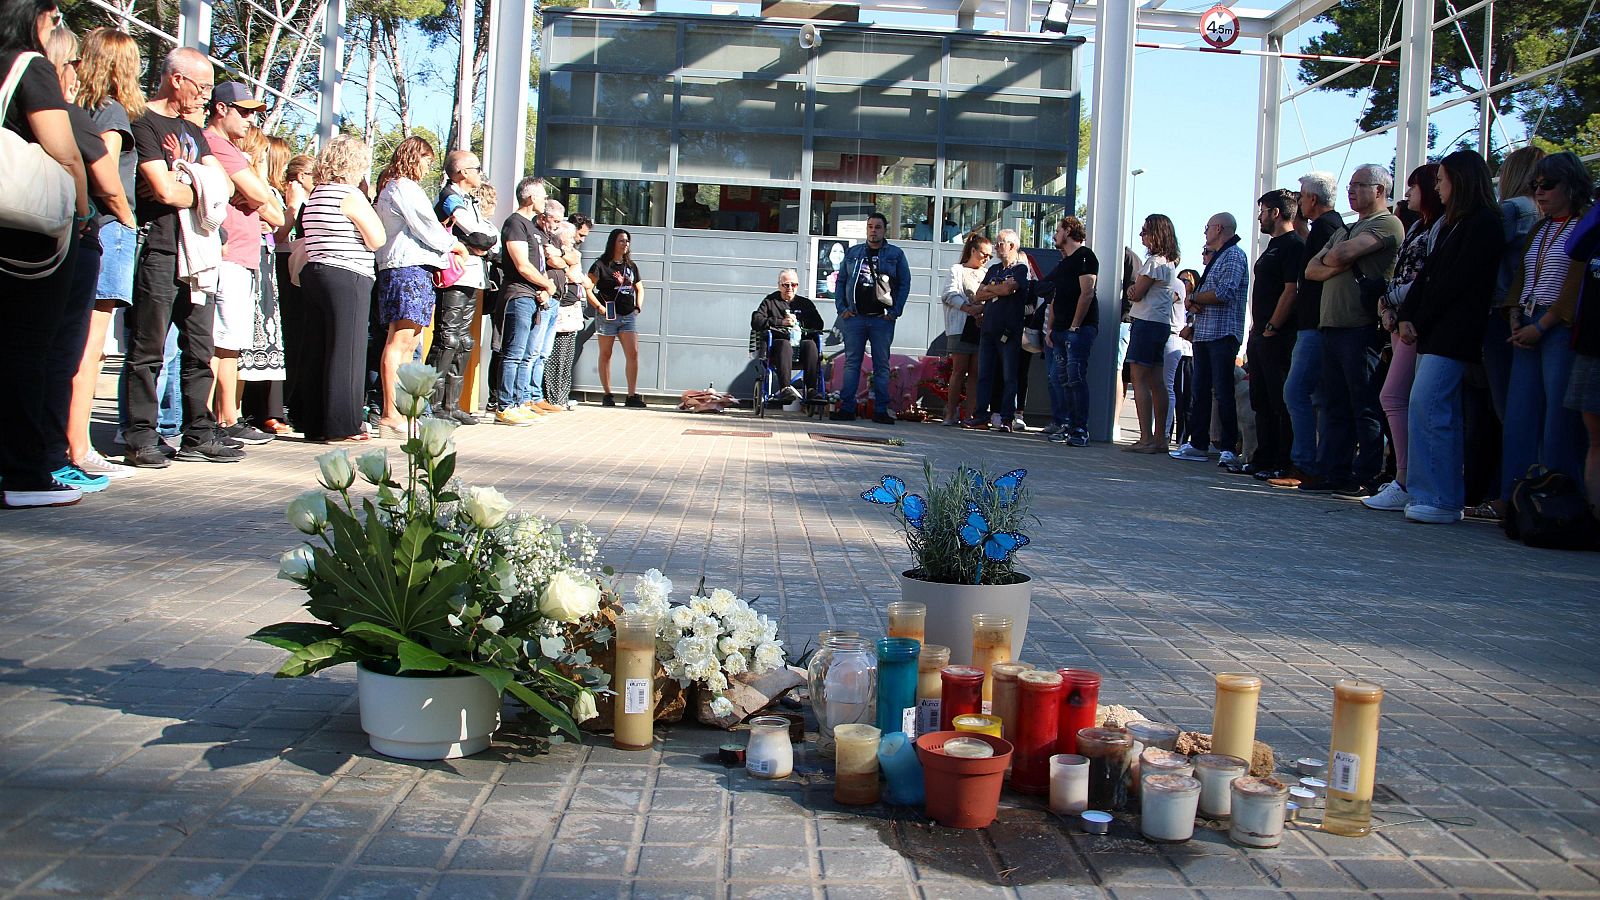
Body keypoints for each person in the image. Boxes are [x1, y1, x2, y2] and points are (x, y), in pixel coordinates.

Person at [123, 47, 240, 467]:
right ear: (177, 79)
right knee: (149, 346)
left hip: (200, 252)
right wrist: (199, 188)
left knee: (199, 346)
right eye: (202, 86)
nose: (206, 97)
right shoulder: (144, 121)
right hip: (160, 244)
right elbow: (164, 191)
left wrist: (191, 181)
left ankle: (199, 432)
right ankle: (141, 434)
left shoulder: (192, 129)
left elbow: (223, 188)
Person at [0, 0, 91, 506]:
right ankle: (23, 473)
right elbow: (64, 150)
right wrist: (80, 214)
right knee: (28, 349)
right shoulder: (28, 66)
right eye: (54, 18)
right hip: (25, 232)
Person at [1395, 150, 1504, 524]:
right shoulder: (1454, 224)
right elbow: (1428, 277)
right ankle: (1433, 493)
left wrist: (1417, 319)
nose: (1437, 187)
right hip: (1435, 331)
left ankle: (1440, 497)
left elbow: (1455, 283)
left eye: (1441, 180)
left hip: (1454, 332)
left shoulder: (1484, 224)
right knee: (1429, 409)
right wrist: (1408, 316)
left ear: (1459, 181)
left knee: (1432, 409)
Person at [63, 26, 141, 482]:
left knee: (67, 341)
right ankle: (80, 445)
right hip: (106, 228)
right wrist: (125, 215)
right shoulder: (112, 113)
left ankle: (66, 440)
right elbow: (105, 173)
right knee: (90, 347)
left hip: (72, 227)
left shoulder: (73, 110)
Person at [1300, 165, 1403, 495]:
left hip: (1361, 327)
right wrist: (1336, 259)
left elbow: (1339, 256)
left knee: (1365, 405)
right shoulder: (1347, 228)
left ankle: (1366, 474)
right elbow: (1311, 270)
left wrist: (1335, 257)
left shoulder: (1386, 223)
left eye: (1360, 185)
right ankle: (1335, 471)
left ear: (1379, 191)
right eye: (1351, 185)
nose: (1352, 190)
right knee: (1336, 406)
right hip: (1332, 326)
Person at [1498, 151, 1593, 499]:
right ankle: (1515, 498)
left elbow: (1577, 284)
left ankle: (1558, 497)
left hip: (1558, 328)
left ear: (1572, 186)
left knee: (1559, 419)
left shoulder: (1585, 227)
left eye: (1548, 185)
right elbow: (1522, 276)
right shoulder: (1539, 227)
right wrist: (1514, 314)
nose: (1539, 191)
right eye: (1535, 184)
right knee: (1520, 416)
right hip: (1525, 323)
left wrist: (1544, 325)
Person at [202, 82, 283, 447]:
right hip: (228, 252)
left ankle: (223, 418)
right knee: (220, 340)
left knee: (229, 341)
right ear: (221, 108)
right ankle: (216, 418)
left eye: (254, 112)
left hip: (243, 254)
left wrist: (254, 194)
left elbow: (273, 210)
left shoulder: (229, 149)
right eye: (244, 111)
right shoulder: (217, 144)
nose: (251, 119)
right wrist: (250, 192)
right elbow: (259, 195)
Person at [1364, 165, 1444, 511]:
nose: (1407, 194)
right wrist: (1387, 307)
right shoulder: (1419, 227)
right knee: (1399, 397)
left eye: (1413, 187)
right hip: (1398, 322)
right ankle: (1404, 477)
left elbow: (1424, 279)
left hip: (1414, 325)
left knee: (1395, 396)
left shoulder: (1435, 231)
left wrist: (1394, 304)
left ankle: (1406, 478)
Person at [297, 135, 385, 442]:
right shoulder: (350, 195)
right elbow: (377, 238)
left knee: (317, 348)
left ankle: (314, 421)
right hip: (348, 275)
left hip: (315, 272)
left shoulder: (317, 194)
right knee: (347, 351)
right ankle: (344, 424)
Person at [373, 135, 462, 437]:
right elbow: (427, 226)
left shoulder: (395, 188)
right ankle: (390, 412)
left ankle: (401, 410)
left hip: (413, 270)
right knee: (398, 342)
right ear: (414, 157)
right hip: (404, 270)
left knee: (410, 343)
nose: (427, 167)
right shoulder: (402, 187)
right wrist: (454, 245)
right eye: (425, 160)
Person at [1270, 172, 1345, 487]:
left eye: (1301, 196)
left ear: (1313, 199)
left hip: (1316, 325)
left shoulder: (1329, 227)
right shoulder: (1323, 228)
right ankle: (1315, 463)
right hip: (1314, 323)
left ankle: (1305, 464)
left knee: (1296, 391)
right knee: (1315, 395)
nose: (1298, 202)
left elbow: (1319, 269)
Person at [1171, 212, 1248, 464]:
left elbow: (1225, 292)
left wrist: (1194, 298)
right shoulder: (1219, 257)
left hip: (1222, 334)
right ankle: (1198, 443)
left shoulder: (1234, 256)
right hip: (1205, 334)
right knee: (1200, 391)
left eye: (1207, 228)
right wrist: (1196, 305)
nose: (1204, 232)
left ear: (1218, 228)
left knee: (1223, 392)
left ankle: (1228, 447)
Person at [428, 148, 494, 425]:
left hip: (471, 276)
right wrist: (478, 243)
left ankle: (451, 404)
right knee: (448, 339)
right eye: (476, 168)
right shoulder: (450, 197)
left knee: (464, 341)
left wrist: (482, 243)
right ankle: (432, 405)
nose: (480, 174)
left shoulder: (469, 199)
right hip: (454, 276)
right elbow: (479, 234)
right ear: (462, 172)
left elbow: (491, 237)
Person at [1241, 189, 1305, 477]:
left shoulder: (1293, 246)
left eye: (1263, 210)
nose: (1259, 217)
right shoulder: (1272, 246)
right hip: (1260, 335)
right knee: (1261, 399)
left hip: (1278, 336)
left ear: (1276, 213)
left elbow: (1291, 290)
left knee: (1279, 401)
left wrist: (1272, 327)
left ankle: (1283, 461)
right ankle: (1262, 458)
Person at [831, 212, 910, 423]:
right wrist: (842, 309)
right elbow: (841, 282)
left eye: (877, 227)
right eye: (870, 227)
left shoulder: (895, 254)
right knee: (852, 363)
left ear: (885, 230)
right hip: (855, 317)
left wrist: (895, 312)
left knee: (881, 365)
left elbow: (904, 283)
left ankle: (881, 411)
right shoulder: (854, 253)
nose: (873, 230)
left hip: (881, 320)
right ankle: (847, 409)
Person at [495, 177, 557, 423]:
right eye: (542, 196)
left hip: (533, 296)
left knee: (524, 354)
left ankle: (520, 401)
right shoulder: (515, 223)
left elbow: (540, 265)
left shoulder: (533, 228)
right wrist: (546, 283)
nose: (545, 201)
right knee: (513, 352)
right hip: (518, 295)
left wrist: (544, 288)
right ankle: (504, 405)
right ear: (530, 197)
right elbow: (522, 264)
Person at [965, 228, 1032, 433]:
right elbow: (978, 295)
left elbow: (1008, 290)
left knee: (1009, 375)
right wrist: (999, 287)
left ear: (1011, 245)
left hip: (1008, 331)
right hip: (988, 329)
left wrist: (995, 288)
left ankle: (1006, 418)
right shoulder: (994, 269)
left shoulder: (1021, 269)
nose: (996, 246)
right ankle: (981, 415)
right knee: (985, 373)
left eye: (1000, 243)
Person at [1039, 217, 1098, 445]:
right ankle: (1067, 425)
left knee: (1075, 379)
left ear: (1069, 231)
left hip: (1078, 330)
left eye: (1058, 230)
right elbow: (1051, 294)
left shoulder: (1085, 257)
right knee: (1061, 379)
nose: (1055, 235)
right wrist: (1051, 329)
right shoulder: (1064, 262)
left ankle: (1079, 430)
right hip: (1061, 331)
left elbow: (1088, 292)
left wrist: (1075, 325)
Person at [1124, 214, 1180, 453]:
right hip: (1160, 324)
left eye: (1145, 231)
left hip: (1146, 323)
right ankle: (1160, 439)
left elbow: (1136, 293)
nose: (1141, 236)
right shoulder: (1169, 262)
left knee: (1139, 379)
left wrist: (1129, 289)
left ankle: (1146, 437)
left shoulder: (1154, 263)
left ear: (1156, 234)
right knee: (1157, 381)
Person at [263, 142, 308, 435]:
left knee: (296, 339)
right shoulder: (282, 196)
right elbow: (277, 233)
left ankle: (290, 403)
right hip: (277, 261)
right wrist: (292, 209)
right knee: (281, 336)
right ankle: (272, 409)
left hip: (295, 266)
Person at [1563, 186, 1600, 519]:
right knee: (1594, 438)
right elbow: (1573, 247)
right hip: (1590, 341)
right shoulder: (1595, 232)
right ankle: (1593, 517)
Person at [587, 226, 646, 407]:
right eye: (621, 240)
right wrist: (599, 307)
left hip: (627, 315)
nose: (625, 244)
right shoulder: (600, 265)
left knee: (633, 353)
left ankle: (631, 395)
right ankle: (607, 394)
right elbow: (588, 287)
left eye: (627, 241)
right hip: (608, 316)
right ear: (613, 242)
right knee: (606, 353)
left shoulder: (631, 266)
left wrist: (638, 306)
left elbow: (639, 287)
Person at [752, 268, 826, 403]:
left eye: (794, 284)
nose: (790, 288)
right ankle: (784, 388)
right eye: (786, 285)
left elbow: (819, 324)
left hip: (800, 346)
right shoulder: (770, 301)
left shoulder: (805, 304)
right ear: (779, 285)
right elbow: (756, 321)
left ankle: (811, 390)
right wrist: (781, 322)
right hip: (778, 347)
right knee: (784, 344)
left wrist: (800, 323)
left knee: (810, 344)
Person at [939, 232, 991, 426]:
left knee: (976, 373)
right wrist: (968, 308)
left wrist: (982, 310)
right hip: (961, 327)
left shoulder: (988, 273)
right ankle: (950, 414)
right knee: (958, 371)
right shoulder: (957, 270)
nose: (986, 258)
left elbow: (993, 296)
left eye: (989, 256)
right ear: (973, 250)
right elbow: (949, 294)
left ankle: (970, 416)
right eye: (983, 254)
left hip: (980, 327)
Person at [543, 214, 591, 411]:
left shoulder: (573, 253)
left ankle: (562, 395)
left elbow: (582, 278)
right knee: (554, 355)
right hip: (560, 308)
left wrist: (575, 272)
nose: (578, 240)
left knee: (566, 356)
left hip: (573, 309)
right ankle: (552, 396)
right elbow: (572, 274)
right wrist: (572, 270)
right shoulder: (554, 248)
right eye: (576, 236)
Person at [1169, 269, 1198, 446]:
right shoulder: (1179, 303)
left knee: (1186, 400)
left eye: (1186, 281)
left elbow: (1188, 331)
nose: (1182, 283)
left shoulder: (1196, 305)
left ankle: (1183, 439)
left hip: (1189, 355)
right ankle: (1168, 434)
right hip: (1176, 352)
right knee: (1173, 395)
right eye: (1180, 280)